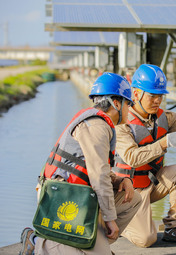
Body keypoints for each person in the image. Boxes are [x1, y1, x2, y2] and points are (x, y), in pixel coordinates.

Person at [19, 72, 142, 255]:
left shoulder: (101, 124)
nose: (130, 109)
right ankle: (35, 241)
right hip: (62, 195)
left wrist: (120, 181)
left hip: (80, 194)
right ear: (117, 103)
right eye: (128, 103)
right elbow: (98, 176)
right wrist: (110, 219)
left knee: (134, 198)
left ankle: (89, 241)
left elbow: (98, 170)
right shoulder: (97, 126)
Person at [113, 64, 176, 248]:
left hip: (151, 186)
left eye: (160, 96)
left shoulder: (163, 118)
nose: (157, 100)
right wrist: (165, 142)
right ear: (136, 94)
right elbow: (132, 157)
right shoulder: (122, 123)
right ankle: (119, 222)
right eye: (152, 95)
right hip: (127, 193)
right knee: (146, 239)